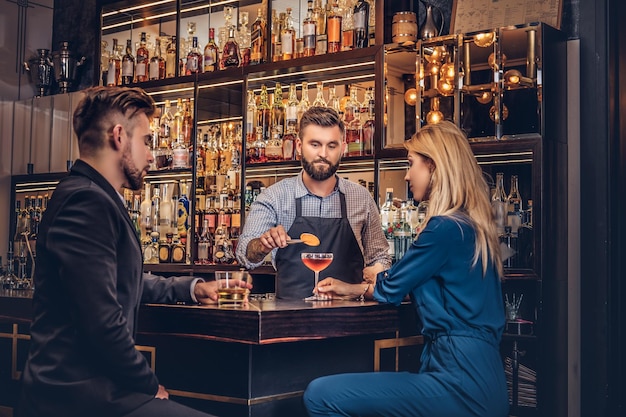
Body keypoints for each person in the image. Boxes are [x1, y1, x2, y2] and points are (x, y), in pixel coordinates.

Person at [18, 86, 250, 417]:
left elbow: (118, 281)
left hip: (99, 392)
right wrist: (147, 384)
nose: (152, 155)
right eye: (146, 141)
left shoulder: (92, 195)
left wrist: (192, 288)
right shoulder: (87, 202)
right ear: (118, 137)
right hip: (79, 397)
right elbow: (101, 323)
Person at [303, 121, 509, 417]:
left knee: (321, 396)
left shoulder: (442, 228)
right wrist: (360, 287)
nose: (407, 174)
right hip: (484, 378)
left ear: (435, 168)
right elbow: (403, 283)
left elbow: (390, 286)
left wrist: (374, 281)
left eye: (412, 164)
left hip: (458, 379)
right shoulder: (472, 226)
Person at [235, 106, 391, 300]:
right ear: (299, 146)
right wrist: (262, 245)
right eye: (315, 144)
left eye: (331, 146)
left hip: (349, 320)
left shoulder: (360, 198)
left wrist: (377, 268)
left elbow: (381, 257)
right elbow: (244, 254)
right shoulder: (275, 197)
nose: (323, 154)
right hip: (288, 320)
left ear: (342, 148)